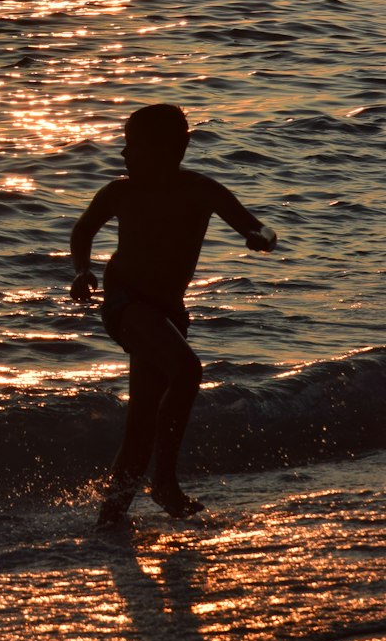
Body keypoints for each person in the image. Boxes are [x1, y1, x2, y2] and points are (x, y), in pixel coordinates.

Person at [69, 104, 277, 527]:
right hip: (125, 303)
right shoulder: (120, 192)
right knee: (186, 370)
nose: (124, 155)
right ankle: (164, 484)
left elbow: (259, 227)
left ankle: (110, 520)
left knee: (141, 425)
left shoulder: (201, 190)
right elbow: (83, 230)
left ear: (175, 148)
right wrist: (83, 270)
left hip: (168, 311)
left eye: (134, 146)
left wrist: (261, 238)